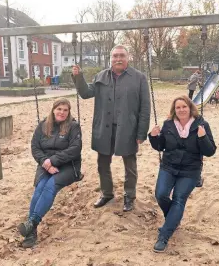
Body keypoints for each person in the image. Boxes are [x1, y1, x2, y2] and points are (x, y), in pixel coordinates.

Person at [72, 44, 150, 212]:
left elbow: (145, 108)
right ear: (111, 58)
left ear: (128, 58)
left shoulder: (139, 78)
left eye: (122, 55)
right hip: (104, 128)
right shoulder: (101, 76)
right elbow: (86, 93)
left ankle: (129, 196)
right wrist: (78, 77)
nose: (118, 59)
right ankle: (106, 193)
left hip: (128, 129)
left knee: (130, 165)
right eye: (115, 56)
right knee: (102, 163)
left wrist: (141, 133)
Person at [149, 95, 216, 252]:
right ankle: (174, 218)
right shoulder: (168, 124)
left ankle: (164, 236)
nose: (181, 110)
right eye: (178, 107)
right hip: (168, 166)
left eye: (184, 106)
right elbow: (160, 146)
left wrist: (203, 137)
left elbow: (210, 151)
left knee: (179, 199)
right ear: (174, 110)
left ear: (190, 107)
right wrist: (153, 136)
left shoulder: (202, 124)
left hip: (190, 170)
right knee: (161, 195)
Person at [17, 98, 82, 248]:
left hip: (68, 166)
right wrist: (45, 162)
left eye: (65, 110)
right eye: (59, 109)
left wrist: (52, 161)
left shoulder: (73, 126)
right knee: (39, 187)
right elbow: (35, 147)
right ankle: (31, 231)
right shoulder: (43, 125)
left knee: (50, 186)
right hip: (46, 164)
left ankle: (32, 223)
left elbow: (75, 149)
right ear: (53, 109)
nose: (62, 112)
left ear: (69, 112)